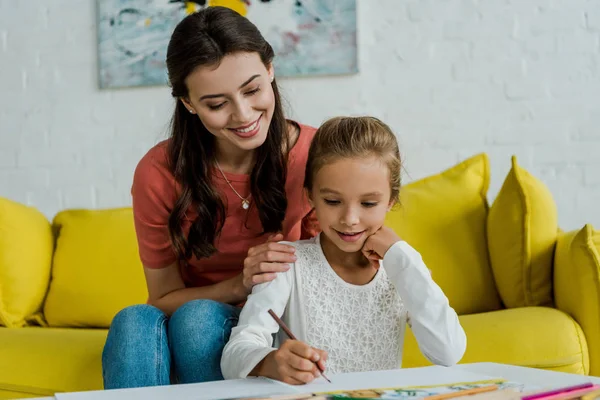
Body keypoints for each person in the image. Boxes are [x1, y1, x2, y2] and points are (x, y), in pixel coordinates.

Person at [102, 6, 320, 389]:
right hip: (199, 313)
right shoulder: (159, 172)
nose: (243, 114)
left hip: (274, 322)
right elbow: (163, 298)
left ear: (270, 70)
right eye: (216, 104)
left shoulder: (319, 154)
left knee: (197, 320)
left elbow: (345, 270)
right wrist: (240, 283)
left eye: (252, 90)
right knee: (133, 320)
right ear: (188, 103)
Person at [221, 116, 467, 384]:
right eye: (333, 201)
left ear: (391, 201)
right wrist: (271, 361)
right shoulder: (288, 263)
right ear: (310, 196)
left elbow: (448, 352)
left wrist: (402, 257)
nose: (350, 218)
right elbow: (235, 354)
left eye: (369, 203)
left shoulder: (401, 268)